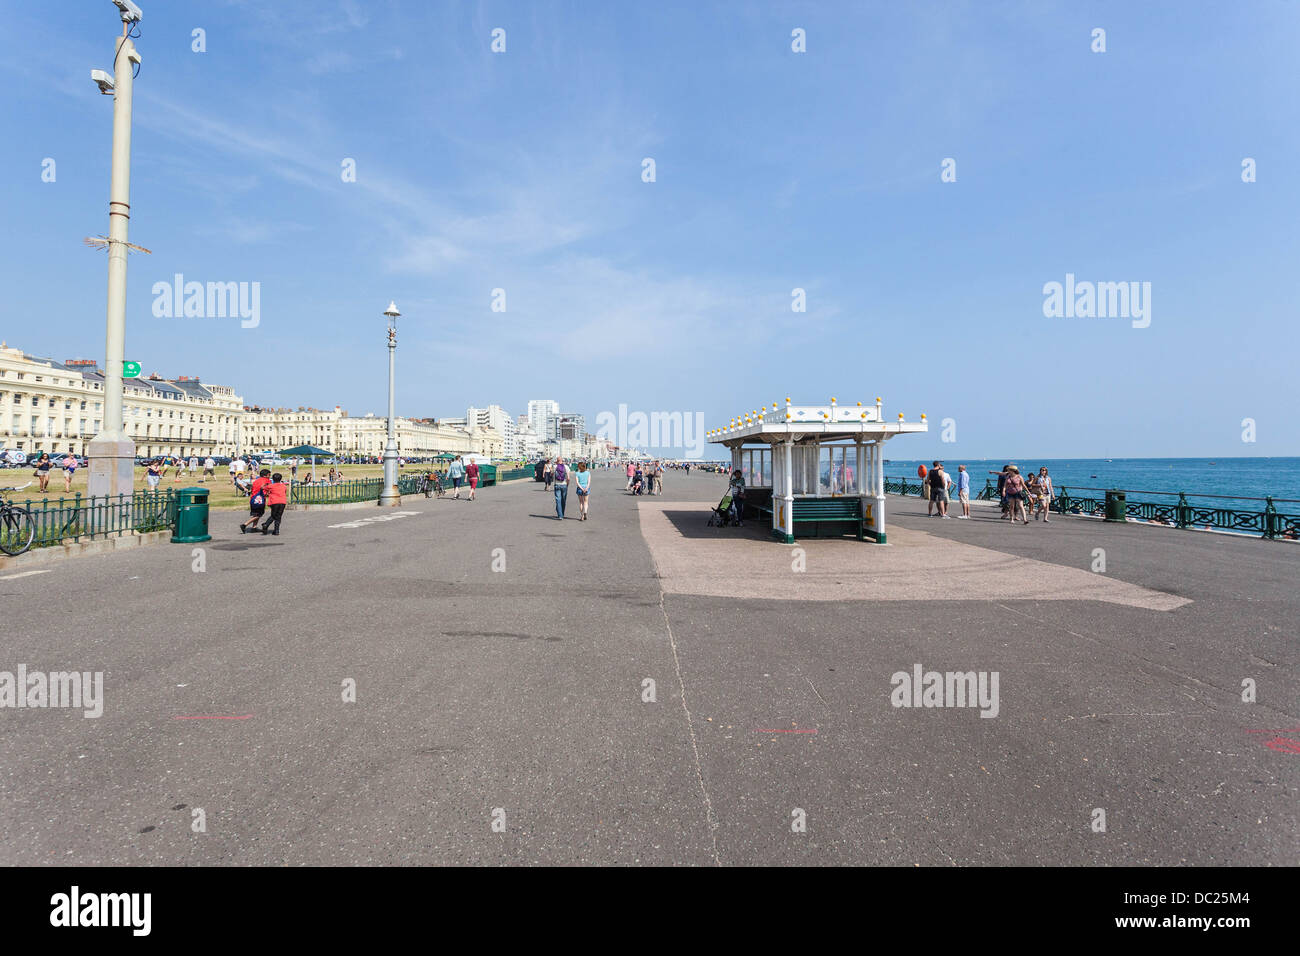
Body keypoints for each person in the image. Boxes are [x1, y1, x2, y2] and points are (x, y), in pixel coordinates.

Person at [241, 468, 272, 533]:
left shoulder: (256, 481)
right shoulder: (267, 481)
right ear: (266, 475)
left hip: (253, 498)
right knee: (259, 514)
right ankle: (245, 524)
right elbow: (267, 490)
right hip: (260, 499)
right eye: (269, 475)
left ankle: (254, 527)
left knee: (256, 514)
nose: (270, 476)